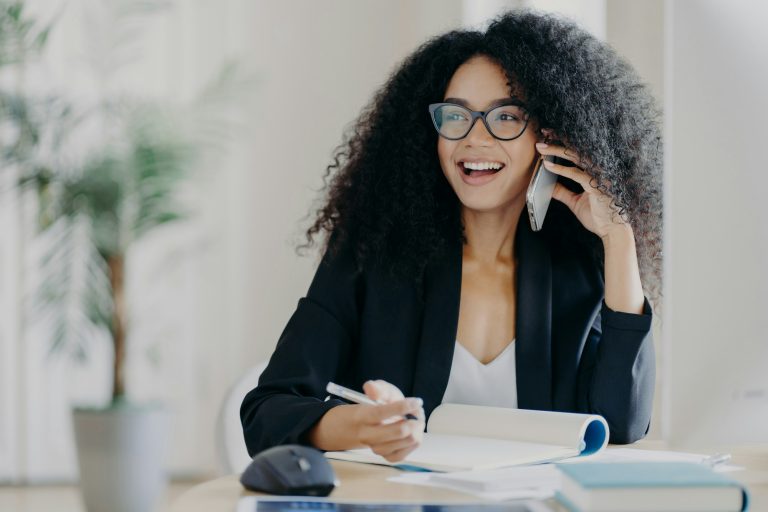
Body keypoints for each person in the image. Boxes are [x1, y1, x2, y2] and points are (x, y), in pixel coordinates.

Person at [241, 9, 662, 463]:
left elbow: (621, 423)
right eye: (455, 116)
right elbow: (267, 412)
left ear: (551, 137)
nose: (474, 139)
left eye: (505, 117)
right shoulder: (370, 258)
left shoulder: (578, 269)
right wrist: (355, 426)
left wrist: (619, 237)